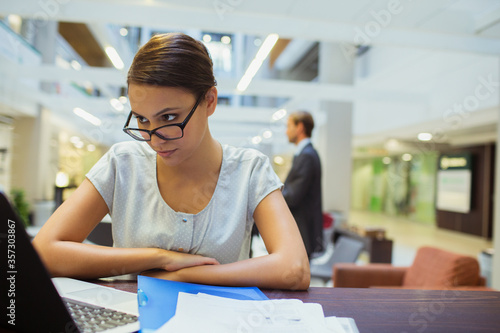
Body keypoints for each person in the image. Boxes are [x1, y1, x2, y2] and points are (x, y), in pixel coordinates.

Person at [33, 33, 310, 290]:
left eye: (168, 118)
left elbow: (294, 269)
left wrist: (180, 274)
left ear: (210, 101)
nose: (154, 140)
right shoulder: (122, 164)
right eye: (142, 119)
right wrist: (158, 257)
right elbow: (44, 252)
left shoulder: (249, 170)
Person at [282, 111, 323, 259]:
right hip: (301, 232)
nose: (286, 131)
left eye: (288, 126)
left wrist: (270, 195)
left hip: (303, 232)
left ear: (299, 127)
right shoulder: (305, 154)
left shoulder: (307, 156)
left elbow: (293, 196)